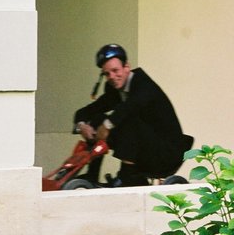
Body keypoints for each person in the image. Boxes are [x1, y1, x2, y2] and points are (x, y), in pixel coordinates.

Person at [73, 43, 191, 187]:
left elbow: (130, 106)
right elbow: (88, 111)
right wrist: (82, 125)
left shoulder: (143, 84)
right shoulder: (114, 89)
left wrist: (108, 125)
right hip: (142, 147)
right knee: (97, 120)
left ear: (127, 67)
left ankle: (126, 176)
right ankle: (91, 176)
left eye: (116, 70)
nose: (112, 77)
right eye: (107, 74)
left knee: (128, 120)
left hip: (165, 152)